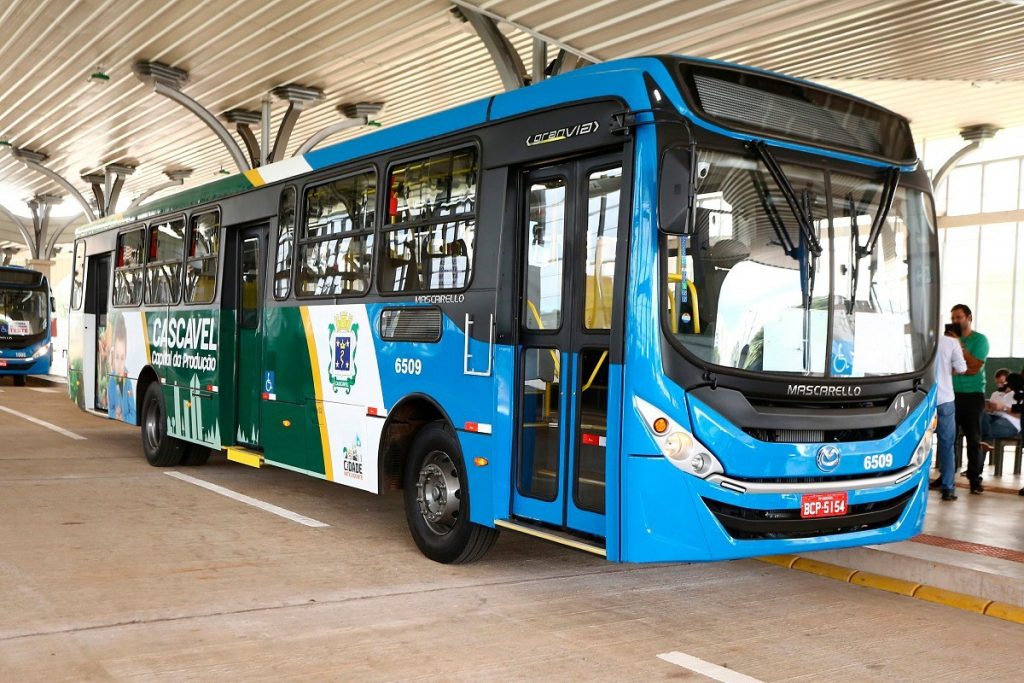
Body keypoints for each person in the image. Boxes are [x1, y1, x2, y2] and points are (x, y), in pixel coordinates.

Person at [950, 304, 989, 494]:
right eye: (953, 318)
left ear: (969, 317)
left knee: (973, 439)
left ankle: (975, 480)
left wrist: (959, 345)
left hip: (973, 395)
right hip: (951, 394)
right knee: (949, 438)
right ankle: (947, 477)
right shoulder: (947, 340)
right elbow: (949, 367)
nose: (956, 321)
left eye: (959, 317)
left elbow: (974, 367)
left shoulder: (980, 340)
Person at [930, 322, 967, 500]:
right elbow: (962, 368)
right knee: (946, 445)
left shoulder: (922, 339)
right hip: (945, 399)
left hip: (922, 399)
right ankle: (948, 488)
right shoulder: (952, 343)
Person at [980, 368, 1020, 450]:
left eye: (1002, 382)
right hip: (992, 417)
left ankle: (978, 461)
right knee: (980, 415)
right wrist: (988, 408)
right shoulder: (996, 394)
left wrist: (1003, 408)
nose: (999, 385)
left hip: (1010, 422)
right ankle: (986, 442)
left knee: (981, 433)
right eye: (997, 383)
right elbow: (990, 410)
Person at [107, 314, 136, 425]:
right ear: (113, 357)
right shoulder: (111, 380)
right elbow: (110, 409)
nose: (119, 364)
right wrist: (115, 415)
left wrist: (122, 418)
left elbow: (134, 415)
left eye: (122, 358)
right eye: (117, 357)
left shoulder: (127, 381)